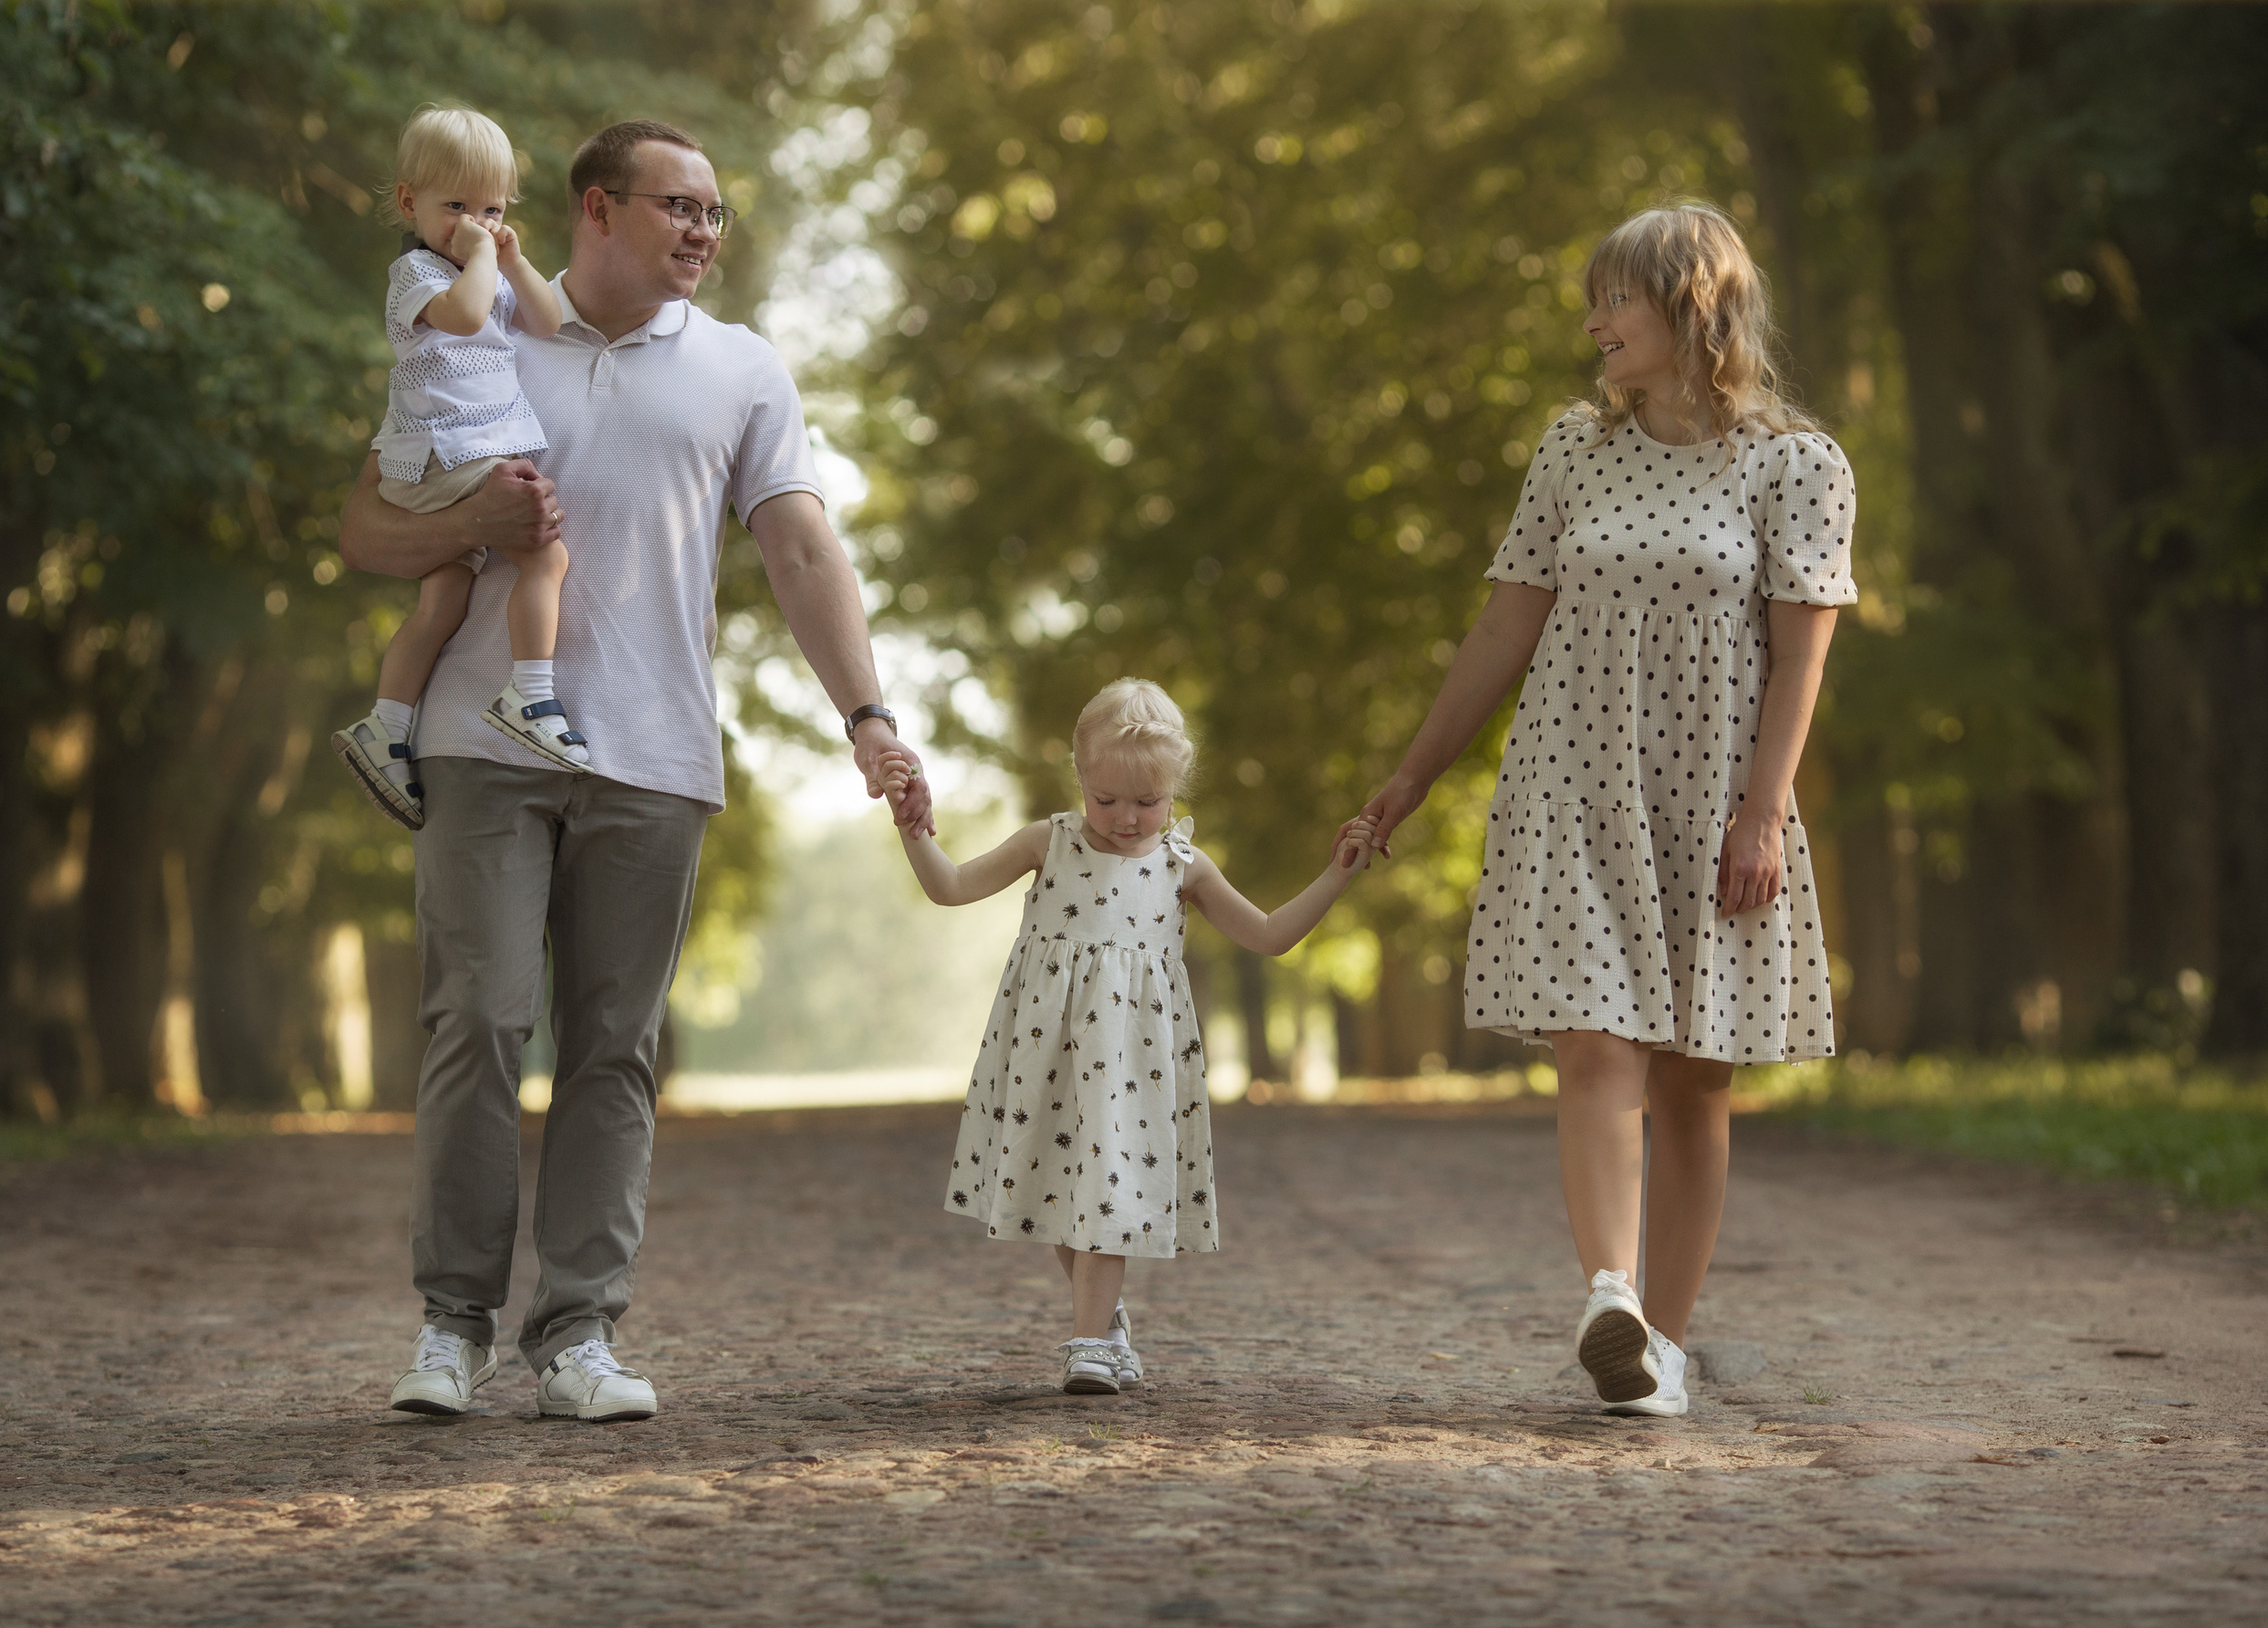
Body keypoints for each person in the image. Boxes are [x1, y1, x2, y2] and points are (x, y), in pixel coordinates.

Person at [337, 118, 933, 1423]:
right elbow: (366, 524)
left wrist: (870, 716)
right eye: (680, 207)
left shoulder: (742, 371)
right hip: (482, 738)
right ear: (594, 211)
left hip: (657, 754)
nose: (705, 234)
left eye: (716, 215)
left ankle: (579, 1339)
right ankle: (451, 1327)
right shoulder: (480, 331)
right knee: (479, 1021)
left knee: (613, 1050)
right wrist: (474, 519)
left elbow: (804, 555)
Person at [1347, 202, 1856, 1419]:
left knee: (1695, 1077)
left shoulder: (1799, 466)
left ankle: (1661, 1354)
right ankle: (1611, 1297)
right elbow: (1504, 627)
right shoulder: (1574, 450)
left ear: (1688, 307)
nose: (1592, 323)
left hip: (1718, 796)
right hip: (1574, 780)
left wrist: (1761, 815)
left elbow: (1802, 660)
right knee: (1593, 1041)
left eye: (1613, 298)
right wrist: (1411, 776)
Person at [877, 680, 1374, 1393]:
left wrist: (1337, 875)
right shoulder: (1046, 843)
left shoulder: (1181, 866)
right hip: (1045, 1052)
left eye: (1148, 802)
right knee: (1051, 1191)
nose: (1127, 819)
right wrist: (913, 826)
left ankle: (1088, 1344)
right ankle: (1106, 1324)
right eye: (1107, 799)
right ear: (1080, 776)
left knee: (1107, 1182)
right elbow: (951, 887)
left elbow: (1268, 936)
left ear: (1176, 790)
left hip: (1133, 1060)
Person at [332, 106, 588, 833]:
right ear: (410, 202)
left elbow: (544, 320)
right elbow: (471, 317)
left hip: (457, 455)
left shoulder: (483, 270)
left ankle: (385, 727)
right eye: (456, 207)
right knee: (547, 554)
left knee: (443, 600)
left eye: (492, 208)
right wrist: (481, 257)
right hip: (449, 452)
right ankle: (530, 695)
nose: (474, 222)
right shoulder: (416, 273)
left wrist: (511, 258)